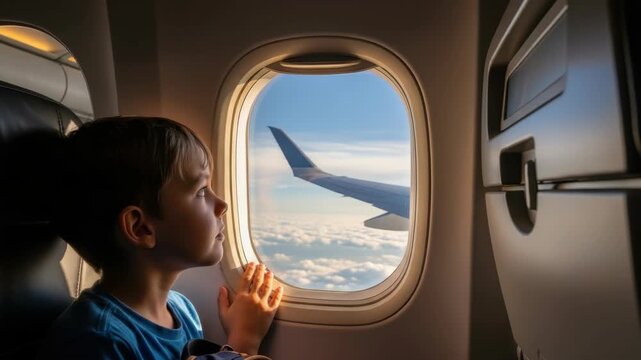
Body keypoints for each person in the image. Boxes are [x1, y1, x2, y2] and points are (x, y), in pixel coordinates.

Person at [42, 116, 283, 359]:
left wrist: (240, 342)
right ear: (141, 228)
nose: (222, 205)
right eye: (201, 191)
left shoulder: (182, 309)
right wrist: (244, 345)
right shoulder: (97, 340)